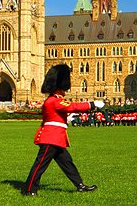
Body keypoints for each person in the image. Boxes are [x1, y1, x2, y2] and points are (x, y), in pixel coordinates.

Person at [22, 64, 102, 197]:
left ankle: (80, 185)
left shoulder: (53, 100)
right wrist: (91, 104)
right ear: (59, 88)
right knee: (40, 165)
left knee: (67, 163)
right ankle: (29, 189)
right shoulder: (54, 101)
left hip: (57, 138)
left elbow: (57, 116)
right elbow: (72, 106)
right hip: (50, 138)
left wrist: (67, 120)